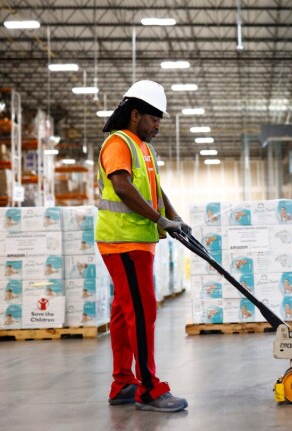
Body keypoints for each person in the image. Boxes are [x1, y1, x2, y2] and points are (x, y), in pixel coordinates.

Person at [96, 80, 190, 413]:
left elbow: (155, 190)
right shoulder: (118, 143)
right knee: (142, 310)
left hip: (137, 240)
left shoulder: (143, 148)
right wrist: (159, 219)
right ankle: (149, 388)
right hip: (122, 240)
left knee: (124, 311)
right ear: (135, 114)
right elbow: (121, 187)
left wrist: (174, 217)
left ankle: (123, 382)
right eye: (154, 119)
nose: (158, 126)